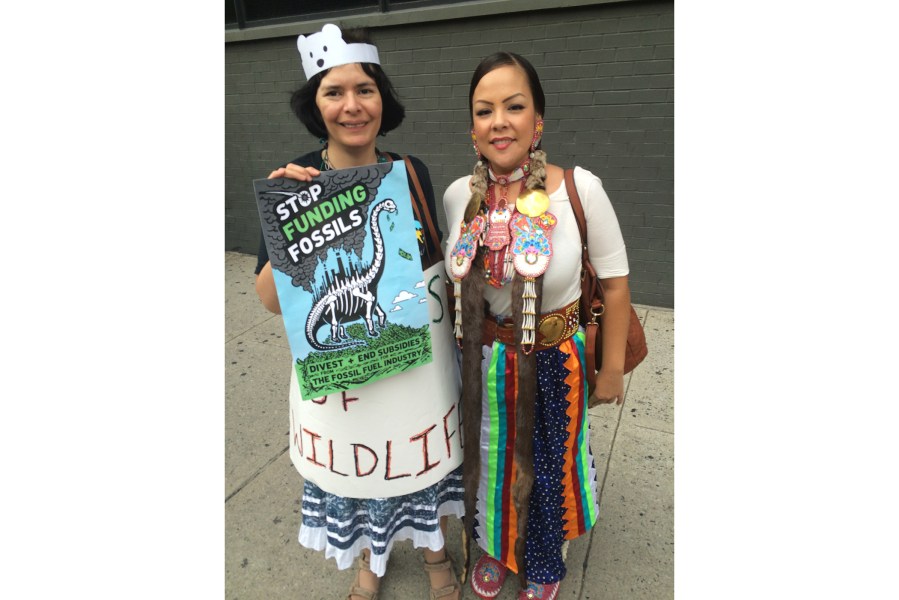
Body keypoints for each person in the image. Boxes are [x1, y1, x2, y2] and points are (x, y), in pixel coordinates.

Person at [254, 24, 463, 600]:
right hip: (343, 378)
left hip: (414, 361)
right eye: (334, 92)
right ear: (315, 105)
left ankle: (436, 552)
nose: (352, 106)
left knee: (419, 459)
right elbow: (270, 300)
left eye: (365, 90)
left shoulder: (411, 172)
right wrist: (285, 223)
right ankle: (370, 559)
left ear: (382, 99)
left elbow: (430, 260)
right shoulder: (292, 181)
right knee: (362, 468)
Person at [443, 52, 632, 600]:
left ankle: (544, 562)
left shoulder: (579, 189)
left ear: (538, 119)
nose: (499, 121)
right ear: (472, 127)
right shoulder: (459, 196)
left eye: (514, 106)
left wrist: (611, 370)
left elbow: (616, 285)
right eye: (484, 111)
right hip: (483, 361)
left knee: (549, 467)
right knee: (490, 460)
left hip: (555, 361)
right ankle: (498, 549)